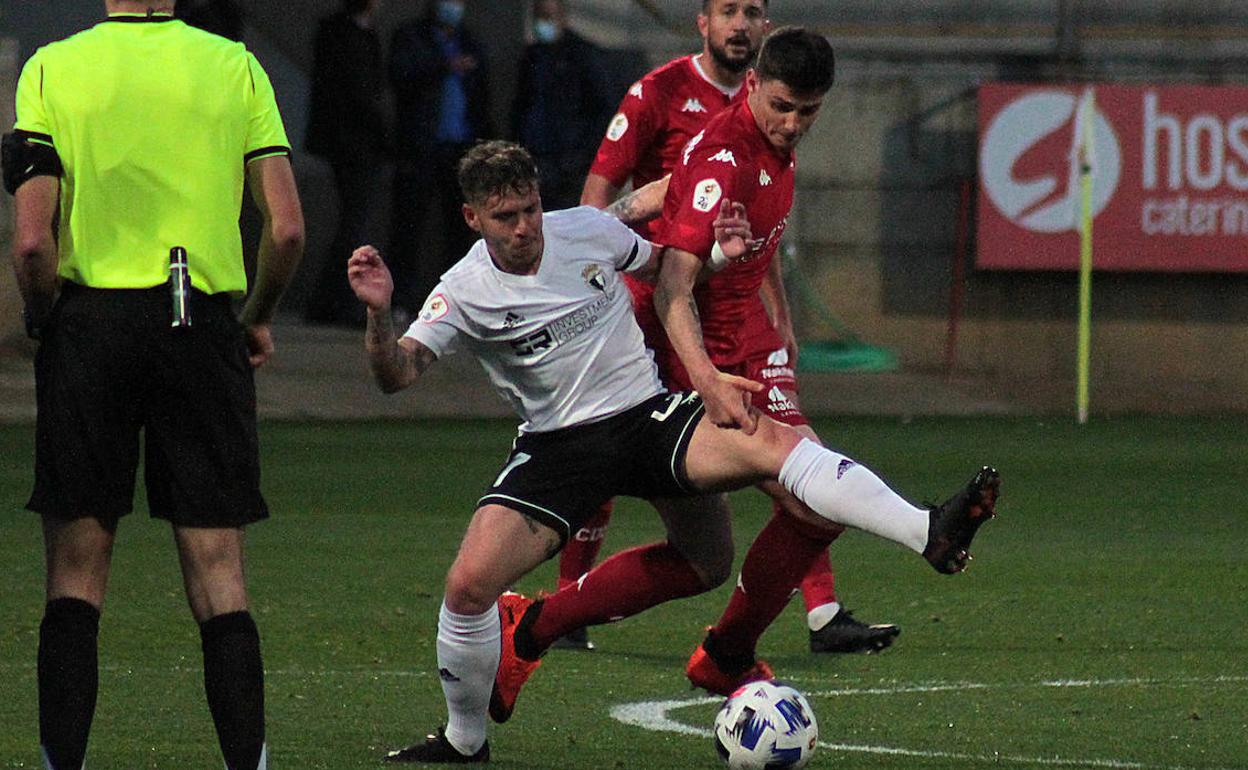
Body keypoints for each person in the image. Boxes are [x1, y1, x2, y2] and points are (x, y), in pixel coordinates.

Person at [347, 140, 999, 763]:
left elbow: (664, 271)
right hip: (559, 449)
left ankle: (928, 530)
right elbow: (397, 374)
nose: (524, 228)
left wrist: (715, 257)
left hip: (648, 419)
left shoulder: (587, 230)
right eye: (505, 218)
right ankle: (465, 741)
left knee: (749, 486)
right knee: (467, 588)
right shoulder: (463, 288)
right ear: (474, 217)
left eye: (530, 210)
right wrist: (379, 316)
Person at [3, 3, 304, 769]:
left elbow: (34, 241)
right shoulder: (234, 66)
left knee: (75, 575)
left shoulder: (53, 66)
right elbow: (288, 229)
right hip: (199, 326)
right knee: (219, 575)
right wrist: (254, 317)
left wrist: (46, 319)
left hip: (90, 330)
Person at [568, 0, 899, 657]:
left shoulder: (779, 118)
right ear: (704, 21)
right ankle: (566, 603)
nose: (741, 23)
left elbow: (756, 225)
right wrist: (583, 265)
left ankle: (820, 611)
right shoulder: (659, 93)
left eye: (753, 10)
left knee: (794, 454)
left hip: (734, 309)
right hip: (664, 303)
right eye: (729, 9)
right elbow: (606, 195)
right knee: (604, 459)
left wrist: (776, 306)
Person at [651, 25, 896, 694]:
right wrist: (702, 376)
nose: (794, 125)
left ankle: (792, 623)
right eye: (784, 107)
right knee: (793, 500)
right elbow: (674, 277)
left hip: (749, 337)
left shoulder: (771, 150)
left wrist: (783, 316)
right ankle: (550, 617)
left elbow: (759, 243)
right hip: (692, 346)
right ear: (753, 84)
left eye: (809, 112)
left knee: (812, 497)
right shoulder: (685, 114)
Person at [389, 0, 494, 317]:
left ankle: (456, 303)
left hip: (460, 149)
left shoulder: (470, 41)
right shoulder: (411, 37)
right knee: (408, 228)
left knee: (460, 230)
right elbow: (400, 75)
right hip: (420, 148)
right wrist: (443, 66)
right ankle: (400, 301)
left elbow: (482, 98)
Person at [303, 0, 391, 326]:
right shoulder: (347, 34)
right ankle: (339, 303)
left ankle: (330, 302)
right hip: (354, 143)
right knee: (355, 224)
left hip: (351, 142)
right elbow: (359, 92)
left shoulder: (345, 32)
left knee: (352, 223)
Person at [510, 0, 614, 211]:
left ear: (562, 17)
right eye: (539, 18)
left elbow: (602, 111)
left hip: (569, 166)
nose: (544, 24)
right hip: (535, 160)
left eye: (548, 18)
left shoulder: (583, 56)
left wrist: (578, 157)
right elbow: (522, 106)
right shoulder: (533, 56)